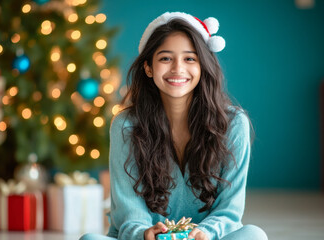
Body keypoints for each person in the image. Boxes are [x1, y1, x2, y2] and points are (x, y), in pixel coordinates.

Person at [81, 12, 268, 240]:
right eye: (166, 58)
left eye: (190, 58)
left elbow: (230, 211)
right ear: (148, 67)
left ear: (202, 66)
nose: (178, 69)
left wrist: (205, 232)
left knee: (254, 235)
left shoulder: (233, 124)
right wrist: (144, 233)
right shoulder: (125, 125)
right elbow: (128, 213)